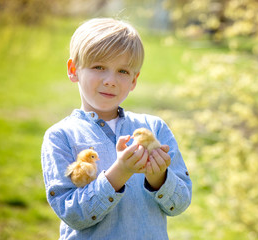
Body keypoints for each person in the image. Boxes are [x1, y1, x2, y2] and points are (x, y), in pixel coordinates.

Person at [41, 18, 192, 240]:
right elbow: (72, 214)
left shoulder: (154, 129)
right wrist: (119, 172)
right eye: (99, 67)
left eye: (122, 71)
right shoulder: (61, 136)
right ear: (74, 70)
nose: (111, 80)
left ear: (134, 79)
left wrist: (158, 176)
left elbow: (179, 205)